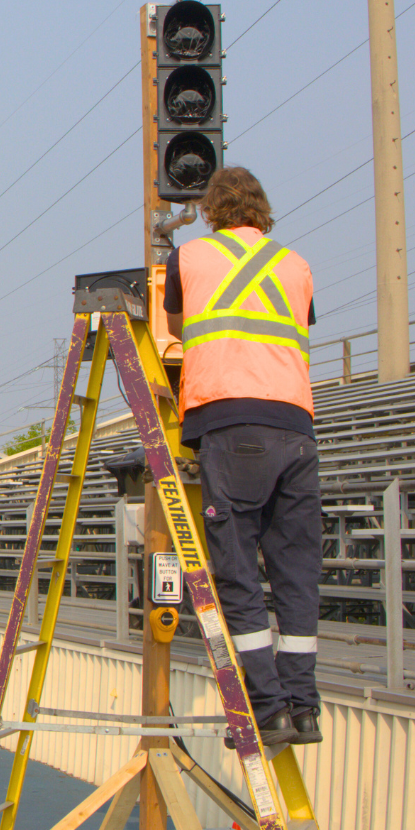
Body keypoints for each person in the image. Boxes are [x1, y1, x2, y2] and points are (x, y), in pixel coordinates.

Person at [163, 165, 322, 749]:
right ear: (262, 207)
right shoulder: (297, 265)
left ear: (211, 209)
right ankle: (304, 708)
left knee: (236, 571)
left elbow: (178, 325)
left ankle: (267, 707)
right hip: (298, 430)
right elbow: (294, 325)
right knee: (296, 574)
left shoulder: (191, 259)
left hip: (233, 424)